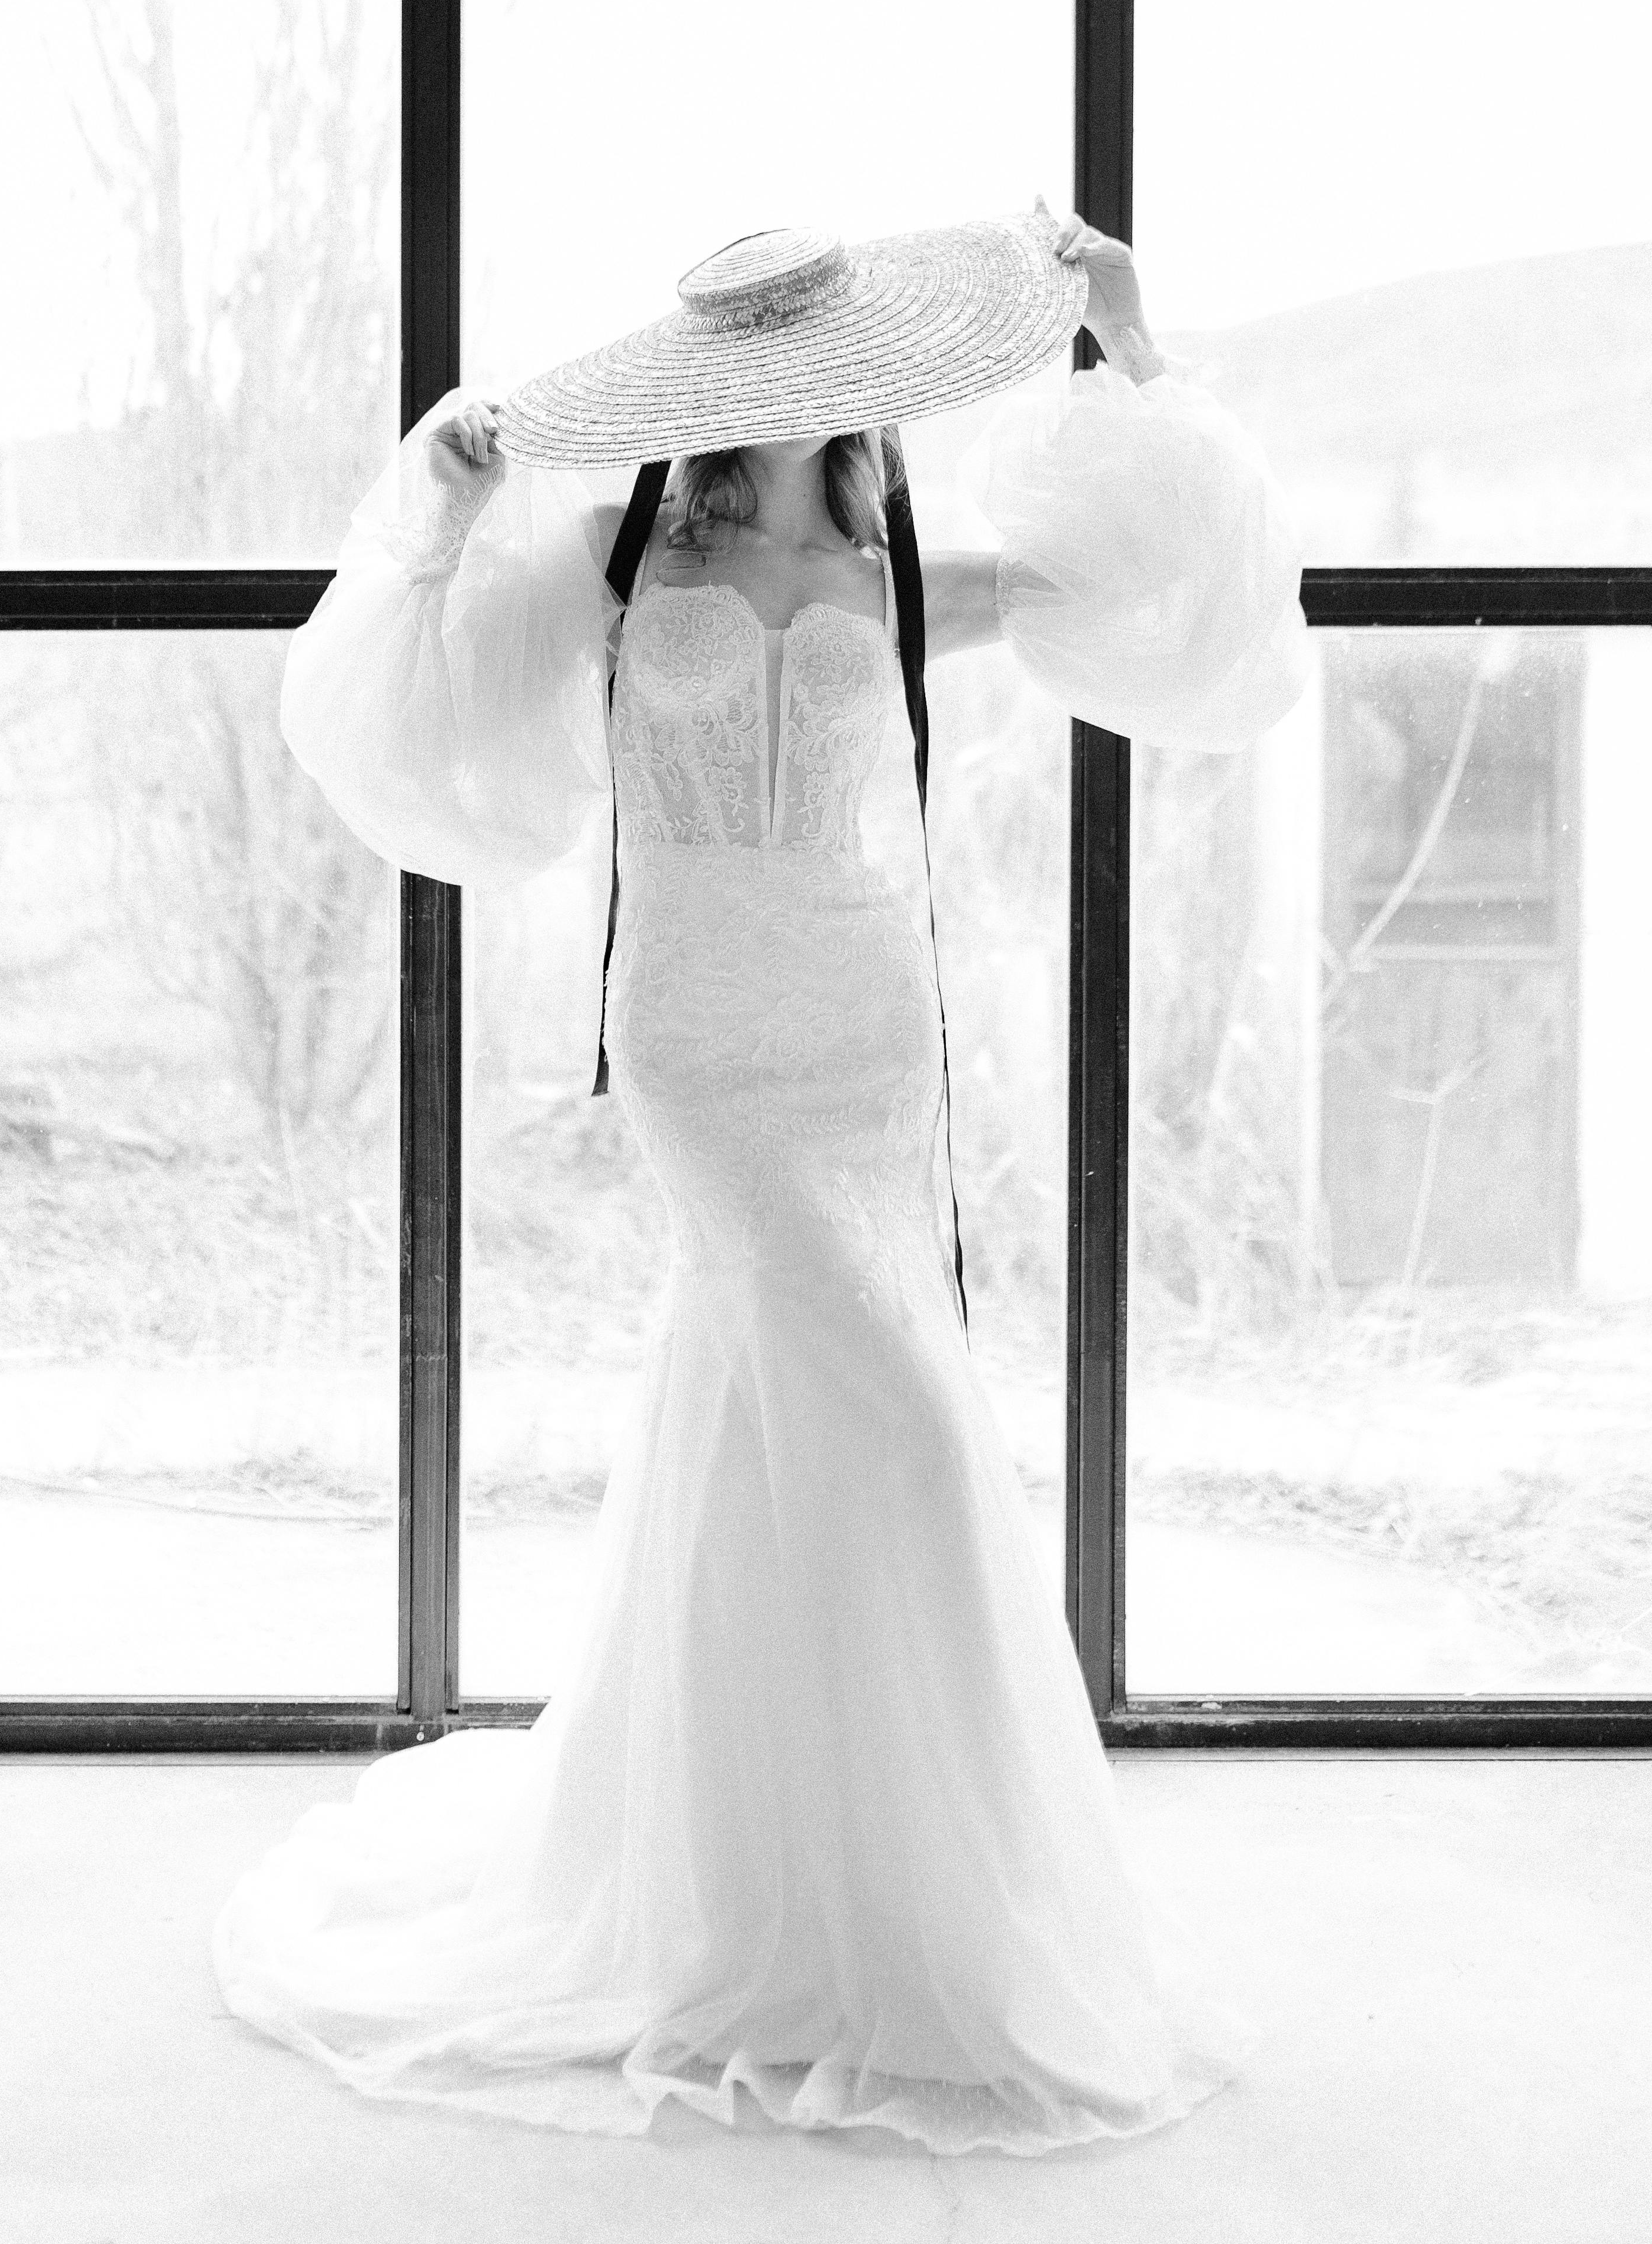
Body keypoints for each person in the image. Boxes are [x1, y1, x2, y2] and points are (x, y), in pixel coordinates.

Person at [211, 202, 1308, 2157]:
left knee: (792, 1411)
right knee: (873, 1402)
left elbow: (1173, 581)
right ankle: (871, 1910)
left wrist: (1132, 334)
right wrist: (444, 510)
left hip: (869, 1035)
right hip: (705, 1043)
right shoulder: (624, 551)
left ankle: (812, 1881)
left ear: (858, 392)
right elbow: (415, 701)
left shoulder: (902, 560)